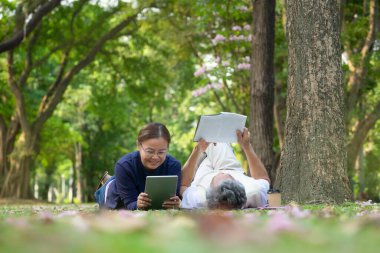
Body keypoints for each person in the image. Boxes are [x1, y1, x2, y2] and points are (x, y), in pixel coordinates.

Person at [95, 123, 181, 210]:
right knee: (113, 197)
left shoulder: (174, 165)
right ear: (138, 145)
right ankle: (107, 181)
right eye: (150, 151)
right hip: (118, 193)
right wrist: (137, 205)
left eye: (161, 152)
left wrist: (174, 203)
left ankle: (112, 178)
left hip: (137, 186)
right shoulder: (124, 166)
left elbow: (173, 197)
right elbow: (129, 203)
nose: (155, 157)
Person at [180, 128, 270, 209]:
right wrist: (247, 147)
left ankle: (207, 148)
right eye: (227, 177)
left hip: (205, 173)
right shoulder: (253, 192)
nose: (221, 173)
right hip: (231, 168)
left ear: (209, 189)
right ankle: (217, 137)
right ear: (237, 183)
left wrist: (197, 150)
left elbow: (183, 186)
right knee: (220, 144)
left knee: (215, 141)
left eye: (218, 177)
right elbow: (263, 178)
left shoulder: (199, 198)